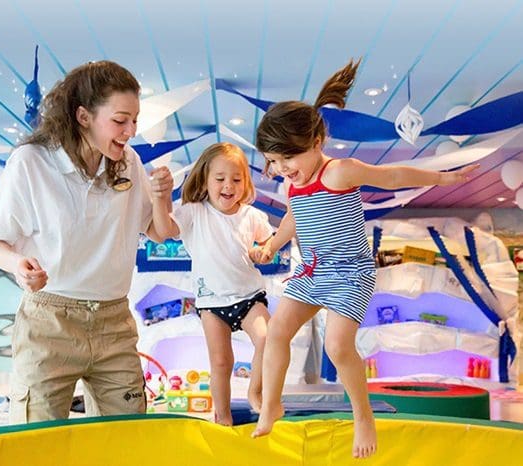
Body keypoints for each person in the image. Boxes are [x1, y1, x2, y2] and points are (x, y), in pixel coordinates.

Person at [249, 59, 479, 458]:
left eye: (289, 158)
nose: (284, 169)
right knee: (277, 332)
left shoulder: (338, 172)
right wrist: (272, 243)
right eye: (276, 160)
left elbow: (392, 176)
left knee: (338, 348)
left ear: (316, 142)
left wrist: (440, 178)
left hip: (350, 273)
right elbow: (293, 217)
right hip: (313, 270)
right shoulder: (295, 184)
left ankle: (363, 414)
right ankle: (271, 403)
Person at [0, 61, 175, 423]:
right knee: (37, 440)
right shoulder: (31, 163)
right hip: (49, 322)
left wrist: (163, 198)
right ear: (84, 116)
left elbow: (160, 232)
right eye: (120, 121)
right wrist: (18, 266)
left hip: (114, 321)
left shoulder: (129, 163)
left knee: (127, 437)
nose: (131, 131)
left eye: (134, 120)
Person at [158, 142, 273, 425]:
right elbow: (166, 230)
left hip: (249, 297)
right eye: (220, 179)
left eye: (236, 179)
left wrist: (263, 251)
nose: (228, 186)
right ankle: (222, 416)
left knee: (269, 340)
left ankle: (255, 392)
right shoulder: (194, 212)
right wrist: (160, 198)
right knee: (221, 362)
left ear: (245, 182)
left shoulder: (251, 215)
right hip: (212, 303)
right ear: (206, 179)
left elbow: (268, 243)